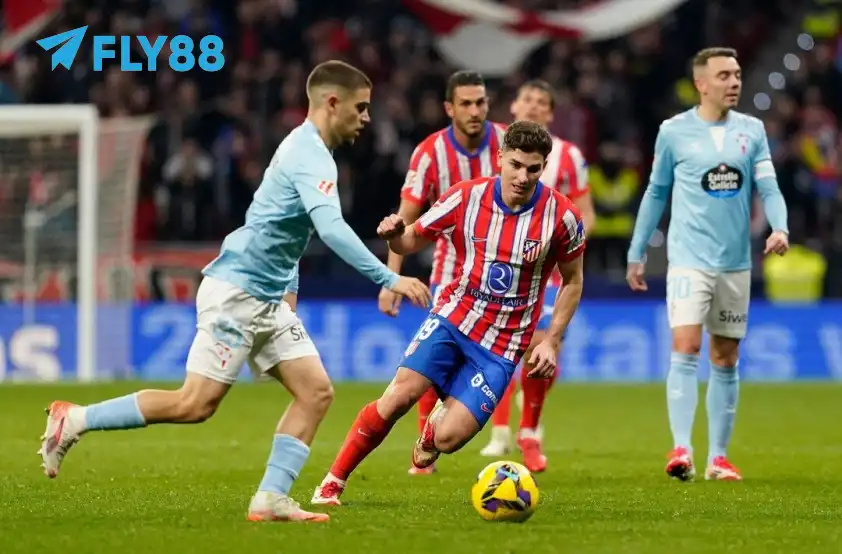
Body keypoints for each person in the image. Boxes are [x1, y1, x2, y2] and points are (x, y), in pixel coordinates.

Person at [37, 60, 432, 522]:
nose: (366, 117)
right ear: (332, 102)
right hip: (237, 293)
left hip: (267, 297)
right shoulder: (309, 154)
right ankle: (75, 419)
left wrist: (288, 286)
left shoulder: (307, 150)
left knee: (315, 392)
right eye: (360, 107)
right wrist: (389, 276)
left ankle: (271, 498)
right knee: (194, 404)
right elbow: (330, 229)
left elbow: (282, 224)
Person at [311, 120, 586, 506]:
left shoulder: (562, 216)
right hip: (454, 318)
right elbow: (410, 240)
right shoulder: (466, 197)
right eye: (515, 165)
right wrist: (394, 235)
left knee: (448, 438)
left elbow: (573, 281)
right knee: (398, 397)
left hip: (503, 346)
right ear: (500, 158)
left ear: (544, 167)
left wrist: (552, 340)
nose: (523, 177)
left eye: (533, 169)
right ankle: (333, 481)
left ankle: (431, 434)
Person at [626, 47, 789, 482]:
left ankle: (718, 457)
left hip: (735, 263)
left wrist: (780, 227)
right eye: (724, 75)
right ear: (701, 83)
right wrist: (637, 250)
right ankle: (681, 449)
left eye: (736, 74)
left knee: (726, 356)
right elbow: (656, 193)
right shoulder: (673, 131)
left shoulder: (752, 130)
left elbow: (769, 188)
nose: (734, 82)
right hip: (687, 260)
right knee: (686, 346)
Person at [376, 69, 506, 475]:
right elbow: (404, 219)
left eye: (480, 102)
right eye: (466, 103)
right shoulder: (430, 153)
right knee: (440, 354)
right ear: (449, 108)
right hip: (451, 268)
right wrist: (391, 279)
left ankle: (501, 432)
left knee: (499, 352)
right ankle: (426, 444)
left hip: (503, 269)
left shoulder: (506, 143)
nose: (474, 110)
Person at [479, 79, 596, 472]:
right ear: (513, 106)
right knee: (498, 349)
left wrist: (567, 246)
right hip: (500, 267)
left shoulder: (568, 156)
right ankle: (500, 431)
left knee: (540, 348)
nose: (532, 105)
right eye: (526, 98)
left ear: (550, 113)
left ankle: (527, 430)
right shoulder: (494, 148)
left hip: (548, 272)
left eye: (541, 102)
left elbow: (586, 213)